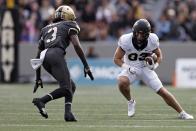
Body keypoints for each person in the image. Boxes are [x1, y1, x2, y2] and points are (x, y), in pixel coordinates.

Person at [113, 19, 194, 120]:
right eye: (137, 33)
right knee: (121, 81)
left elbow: (159, 56)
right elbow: (116, 59)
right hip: (131, 67)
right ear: (134, 31)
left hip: (145, 68)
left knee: (162, 91)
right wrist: (127, 67)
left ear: (147, 34)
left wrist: (154, 66)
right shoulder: (125, 40)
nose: (139, 36)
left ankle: (182, 113)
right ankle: (130, 102)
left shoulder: (152, 39)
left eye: (142, 34)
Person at [31, 5, 94, 122]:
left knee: (71, 86)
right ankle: (41, 101)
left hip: (44, 58)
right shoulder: (70, 25)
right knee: (66, 89)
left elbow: (37, 56)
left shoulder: (45, 29)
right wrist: (86, 65)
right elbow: (76, 45)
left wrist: (38, 78)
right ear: (68, 17)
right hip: (56, 55)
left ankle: (68, 113)